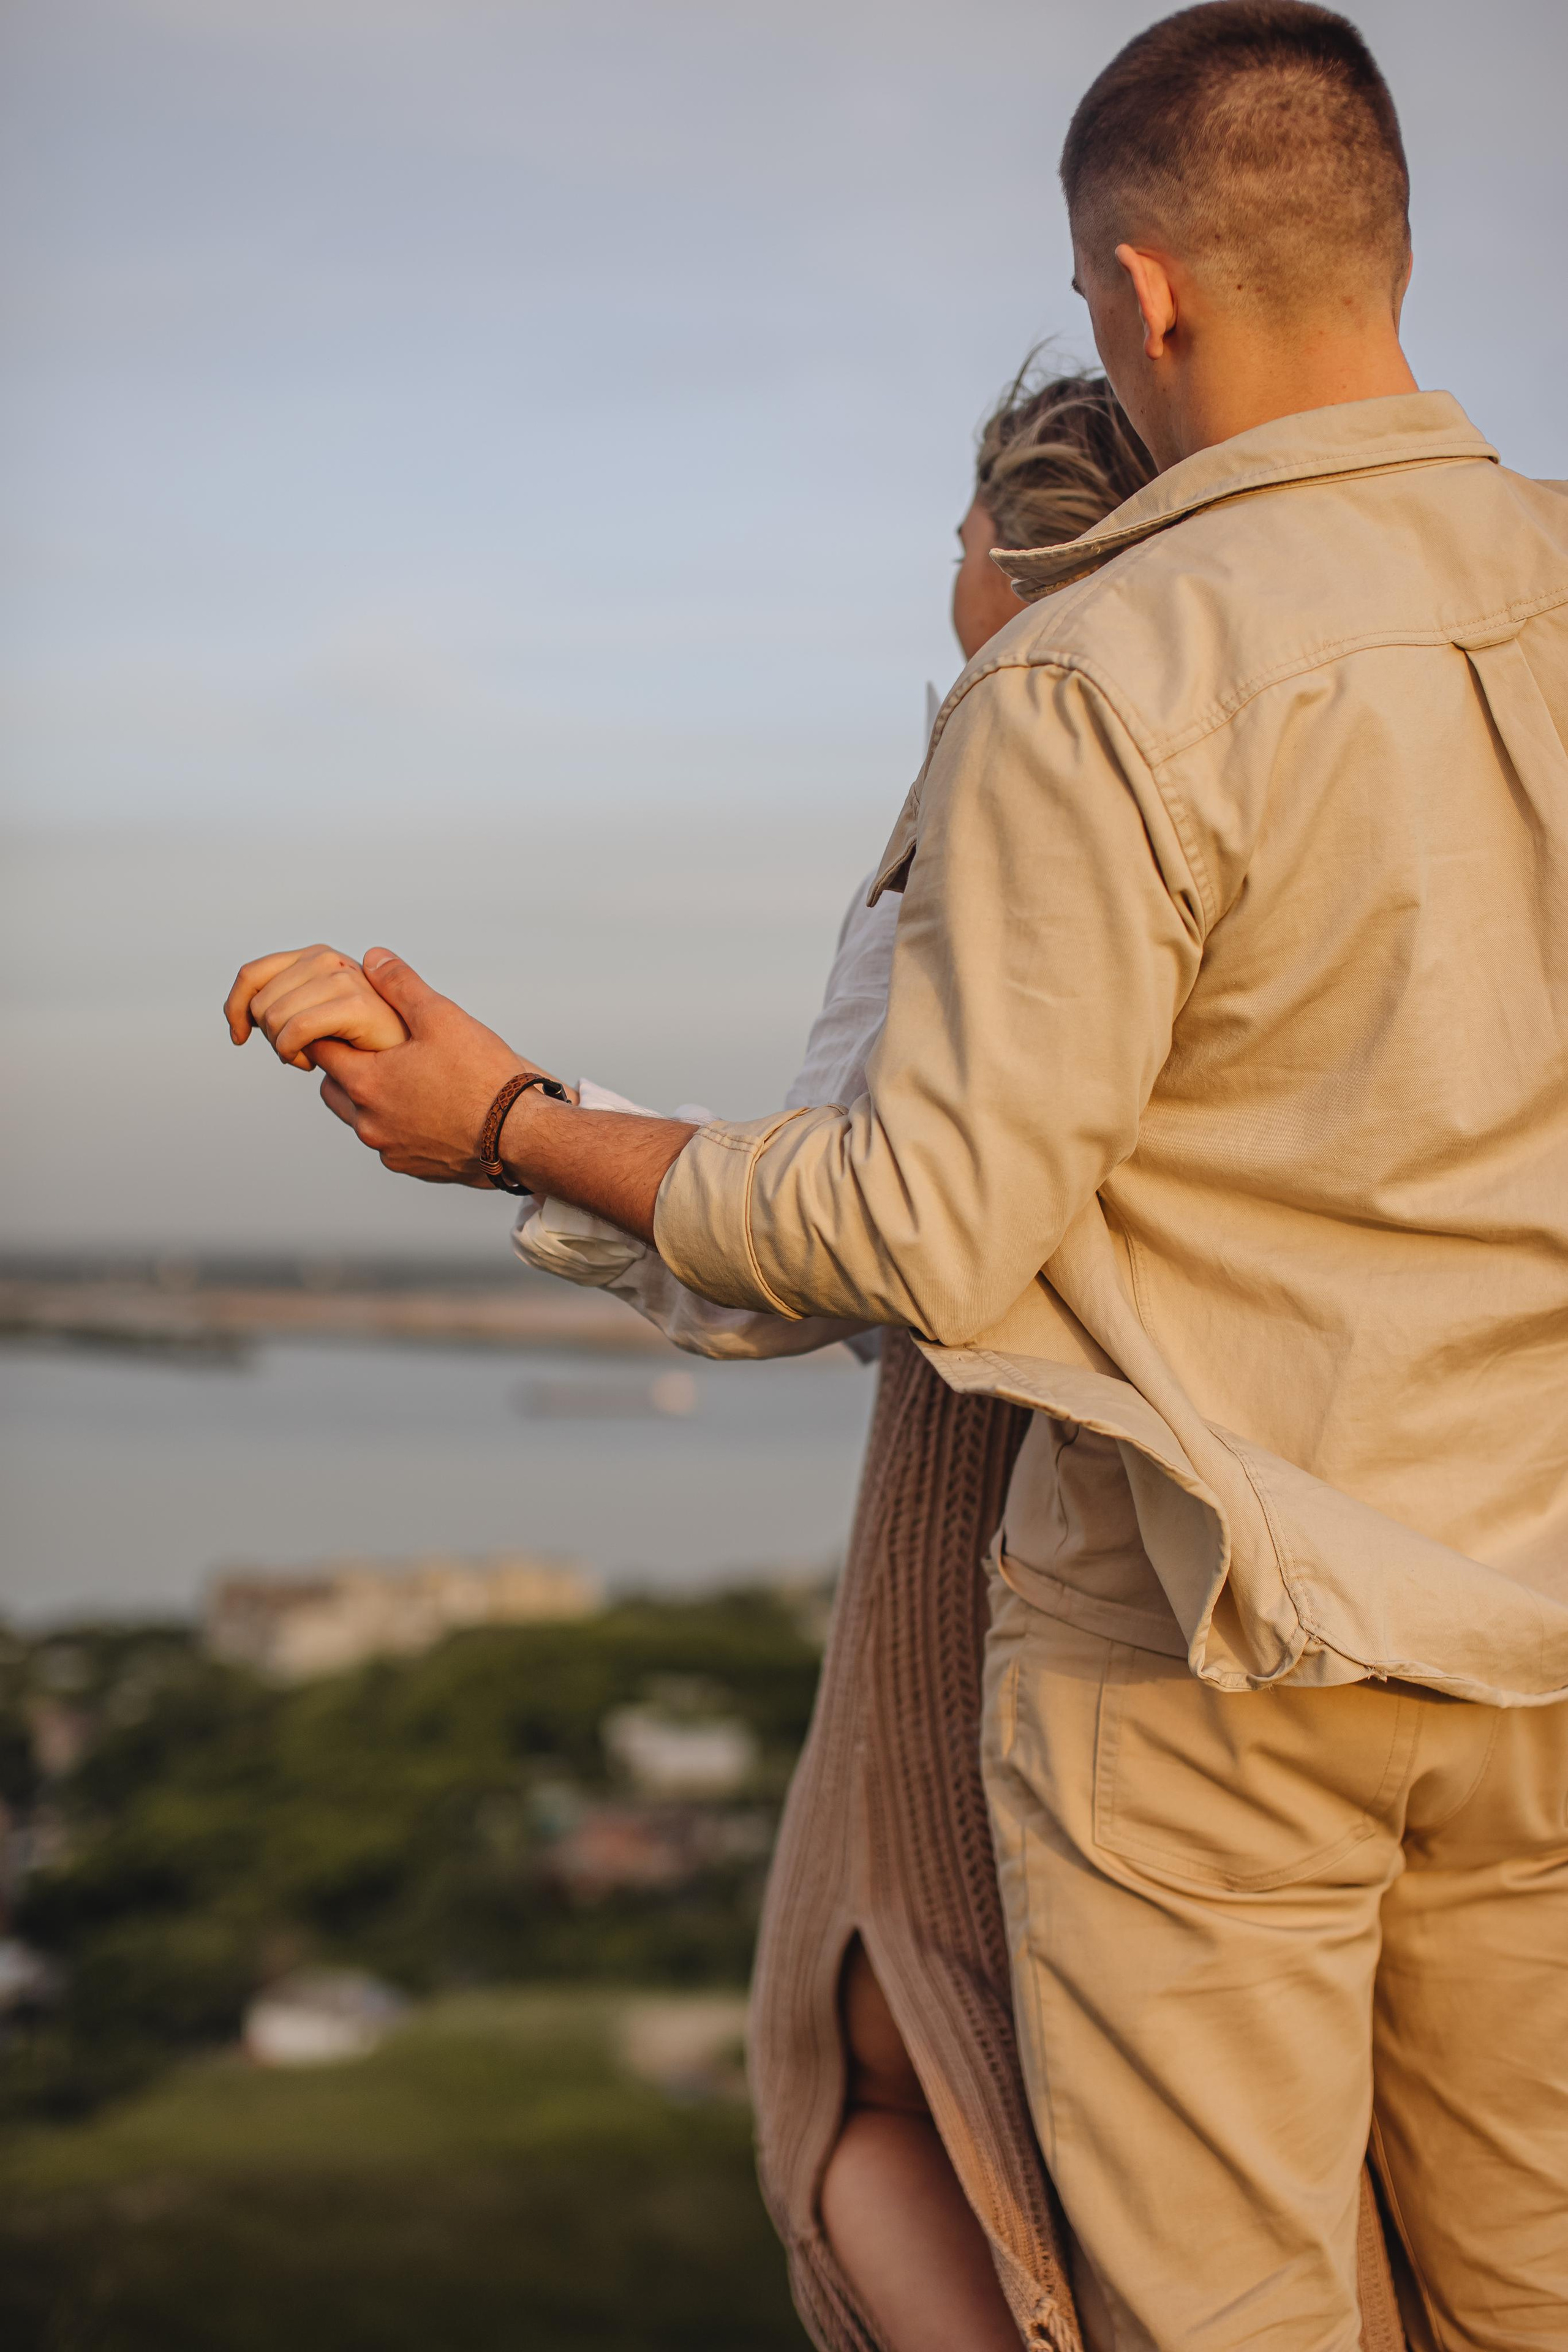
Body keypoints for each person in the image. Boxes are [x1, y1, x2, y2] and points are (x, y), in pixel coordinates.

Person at [225, 2, 1568, 2336]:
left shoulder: (1102, 679)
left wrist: (513, 1128)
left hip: (1210, 1653)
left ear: (1141, 291)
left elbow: (914, 1227)